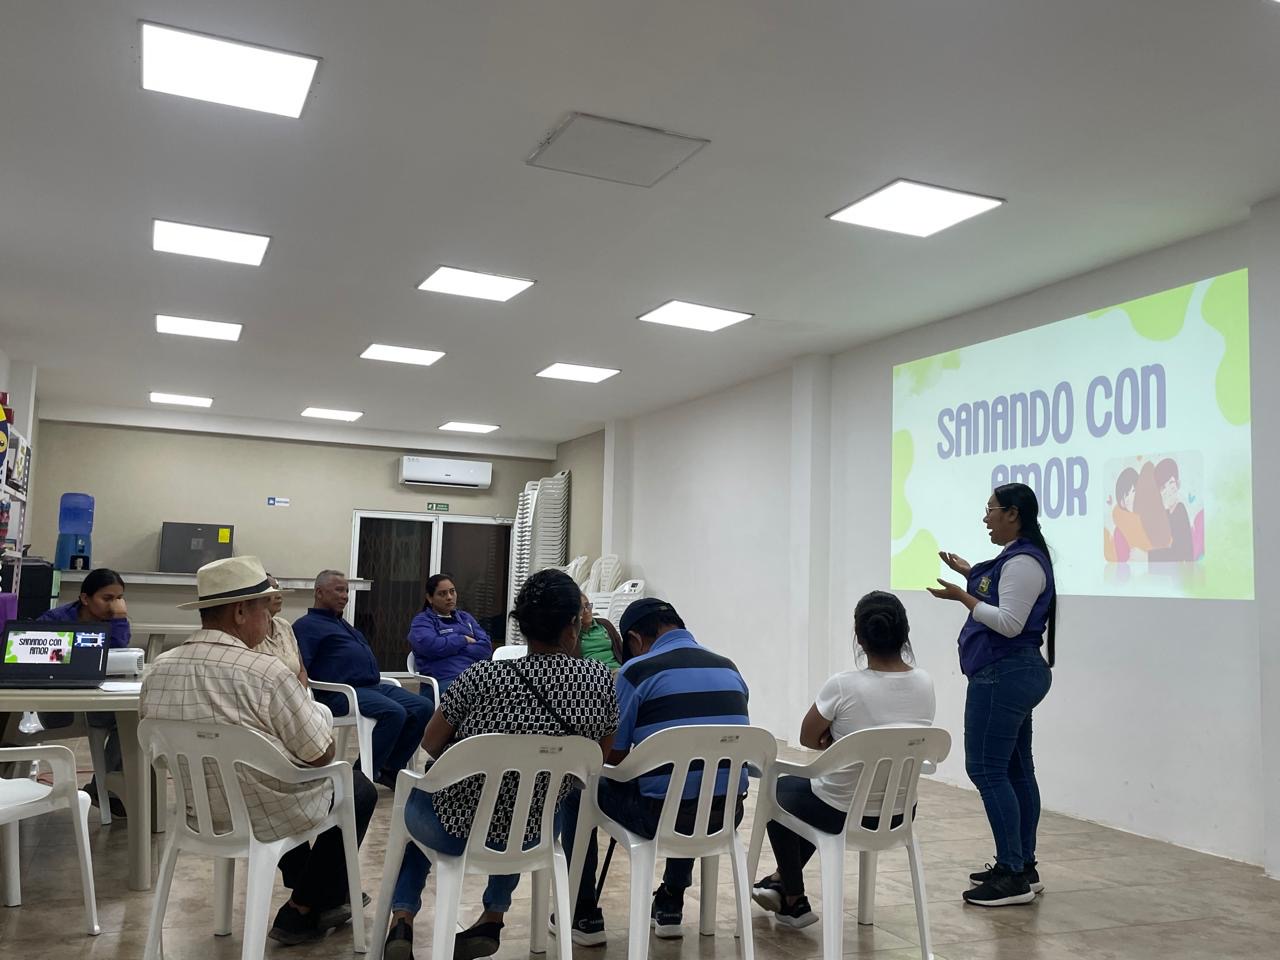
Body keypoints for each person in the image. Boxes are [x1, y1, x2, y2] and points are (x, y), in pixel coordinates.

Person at [139, 556, 378, 945]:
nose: (270, 622)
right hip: (266, 812)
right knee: (357, 787)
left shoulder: (158, 669)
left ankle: (321, 896)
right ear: (239, 612)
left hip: (199, 811)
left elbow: (156, 747)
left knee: (265, 783)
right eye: (265, 610)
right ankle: (303, 906)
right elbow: (321, 753)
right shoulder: (265, 673)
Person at [383, 569, 617, 960]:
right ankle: (493, 915)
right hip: (533, 833)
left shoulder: (481, 677)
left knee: (423, 799)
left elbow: (430, 742)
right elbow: (597, 760)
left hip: (453, 828)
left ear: (521, 625)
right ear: (573, 625)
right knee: (526, 803)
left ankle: (402, 919)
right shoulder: (599, 681)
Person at [559, 597, 750, 944]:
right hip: (726, 814)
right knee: (695, 781)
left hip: (657, 817)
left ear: (634, 639)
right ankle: (671, 901)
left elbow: (613, 758)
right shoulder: (730, 668)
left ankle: (582, 911)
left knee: (576, 790)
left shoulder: (637, 671)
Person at [751, 591, 935, 928]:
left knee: (779, 791)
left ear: (860, 638)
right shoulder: (925, 683)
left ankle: (793, 898)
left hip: (841, 812)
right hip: (899, 812)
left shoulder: (844, 685)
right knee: (808, 796)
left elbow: (808, 737)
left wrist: (842, 741)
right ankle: (780, 882)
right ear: (904, 633)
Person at [929, 482, 1055, 907]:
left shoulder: (1022, 562)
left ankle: (1012, 875)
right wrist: (969, 574)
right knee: (1016, 769)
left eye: (991, 510)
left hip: (1004, 674)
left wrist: (962, 597)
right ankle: (1022, 866)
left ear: (1013, 514)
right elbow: (1002, 596)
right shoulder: (1018, 559)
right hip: (1013, 674)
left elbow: (1009, 623)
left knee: (986, 769)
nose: (986, 518)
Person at [294, 570, 433, 788]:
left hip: (373, 688)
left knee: (423, 706)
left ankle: (389, 768)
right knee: (394, 712)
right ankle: (359, 777)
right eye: (339, 590)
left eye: (347, 591)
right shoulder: (306, 626)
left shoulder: (343, 624)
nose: (345, 596)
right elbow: (301, 667)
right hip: (340, 694)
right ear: (319, 593)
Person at [38, 567, 131, 816]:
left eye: (119, 598)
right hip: (58, 707)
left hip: (94, 702)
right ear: (85, 598)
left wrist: (119, 620)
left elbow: (118, 651)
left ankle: (103, 789)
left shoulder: (114, 621)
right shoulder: (56, 620)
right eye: (107, 598)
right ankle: (104, 789)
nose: (115, 605)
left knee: (131, 720)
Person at [406, 573, 492, 695]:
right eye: (442, 594)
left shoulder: (465, 618)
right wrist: (463, 640)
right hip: (443, 681)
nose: (449, 597)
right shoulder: (422, 621)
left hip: (474, 677)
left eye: (452, 591)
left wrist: (450, 648)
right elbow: (431, 647)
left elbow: (486, 648)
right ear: (430, 598)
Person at [257, 573, 308, 686]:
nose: (279, 595)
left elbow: (302, 671)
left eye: (277, 588)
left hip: (296, 693)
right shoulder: (250, 631)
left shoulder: (284, 625)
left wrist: (301, 694)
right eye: (271, 590)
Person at [576, 592, 621, 670]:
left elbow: (621, 648)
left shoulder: (605, 624)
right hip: (593, 673)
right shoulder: (574, 633)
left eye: (588, 605)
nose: (586, 611)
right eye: (581, 608)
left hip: (617, 669)